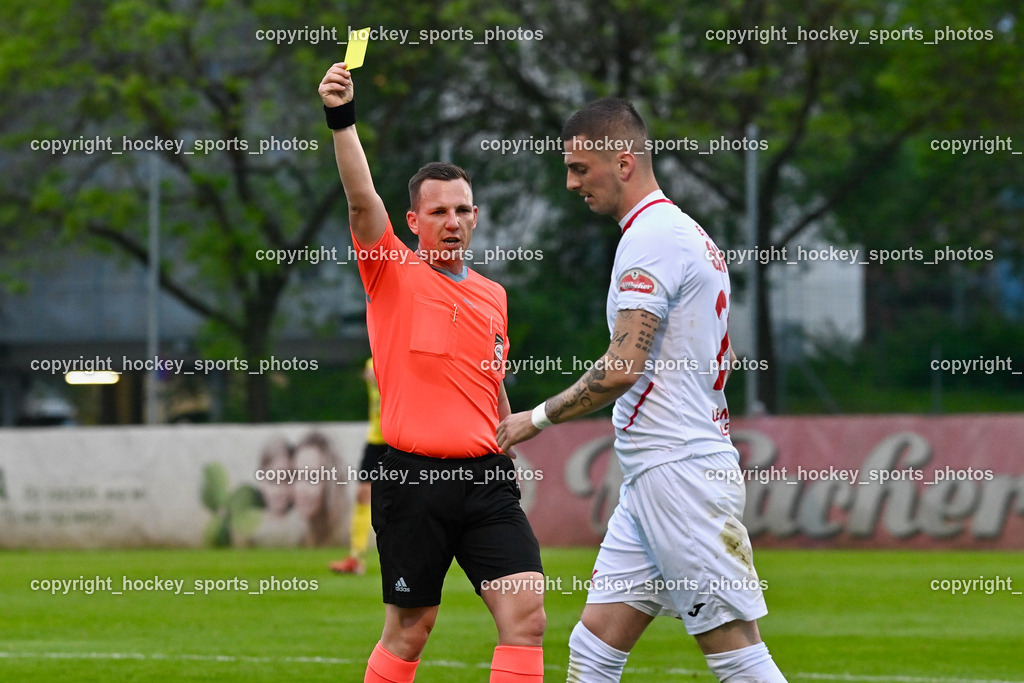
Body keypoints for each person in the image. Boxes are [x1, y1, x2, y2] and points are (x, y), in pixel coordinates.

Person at [497, 97, 788, 682]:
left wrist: (536, 418)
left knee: (735, 653)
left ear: (624, 162)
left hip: (678, 473)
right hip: (657, 473)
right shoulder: (677, 231)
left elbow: (623, 366)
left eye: (581, 168)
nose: (571, 182)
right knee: (594, 645)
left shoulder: (652, 239)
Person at [318, 62, 545, 683]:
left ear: (476, 218)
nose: (452, 220)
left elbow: (490, 376)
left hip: (488, 482)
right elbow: (362, 197)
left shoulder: (495, 294)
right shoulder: (389, 269)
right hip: (413, 481)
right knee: (411, 631)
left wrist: (510, 428)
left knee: (526, 617)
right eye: (438, 211)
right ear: (413, 223)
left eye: (462, 209)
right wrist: (342, 118)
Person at [330, 357, 386, 574]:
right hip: (375, 440)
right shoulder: (372, 362)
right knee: (363, 494)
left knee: (406, 498)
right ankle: (356, 557)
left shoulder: (400, 359)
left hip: (398, 440)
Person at [292, 431, 349, 547]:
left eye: (313, 477)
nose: (301, 489)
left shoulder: (346, 535)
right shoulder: (299, 536)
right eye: (297, 475)